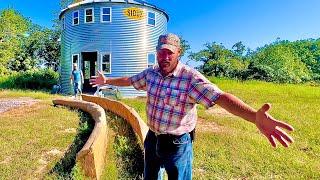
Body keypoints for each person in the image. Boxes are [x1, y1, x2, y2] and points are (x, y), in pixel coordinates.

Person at [89, 33, 294, 180]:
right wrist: (107, 80)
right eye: (161, 53)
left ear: (179, 53)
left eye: (170, 53)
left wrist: (253, 117)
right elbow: (131, 80)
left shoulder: (190, 79)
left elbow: (220, 96)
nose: (165, 57)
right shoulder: (151, 73)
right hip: (152, 138)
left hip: (177, 144)